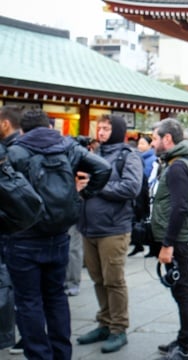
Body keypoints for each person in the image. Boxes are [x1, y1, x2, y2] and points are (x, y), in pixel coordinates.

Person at [3, 109, 111, 360]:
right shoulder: (67, 147)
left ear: (22, 130)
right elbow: (103, 168)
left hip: (24, 236)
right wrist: (81, 196)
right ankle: (62, 353)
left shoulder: (15, 152)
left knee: (28, 301)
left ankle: (39, 355)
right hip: (60, 234)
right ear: (49, 126)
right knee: (56, 297)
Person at [75, 114, 143, 353]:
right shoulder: (94, 154)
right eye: (99, 128)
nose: (101, 132)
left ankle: (118, 328)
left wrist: (95, 184)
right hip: (88, 226)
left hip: (114, 228)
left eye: (106, 128)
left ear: (116, 131)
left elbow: (132, 187)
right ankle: (104, 322)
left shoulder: (128, 155)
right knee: (97, 279)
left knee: (114, 280)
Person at [151, 118, 188, 360]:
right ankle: (183, 338)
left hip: (180, 240)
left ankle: (185, 347)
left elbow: (179, 207)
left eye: (154, 138)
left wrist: (167, 243)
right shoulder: (181, 163)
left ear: (167, 139)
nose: (152, 143)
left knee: (183, 290)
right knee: (181, 290)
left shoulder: (178, 167)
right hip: (182, 237)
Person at [0, 106, 22, 353]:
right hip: (18, 224)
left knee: (8, 281)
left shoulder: (12, 152)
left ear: (6, 124)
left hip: (10, 225)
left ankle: (9, 334)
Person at [129, 134, 158, 257]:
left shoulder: (152, 159)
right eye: (139, 143)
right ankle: (138, 244)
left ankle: (152, 247)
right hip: (137, 192)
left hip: (147, 192)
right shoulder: (136, 157)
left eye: (143, 143)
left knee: (147, 220)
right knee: (137, 219)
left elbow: (151, 177)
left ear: (149, 145)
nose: (140, 146)